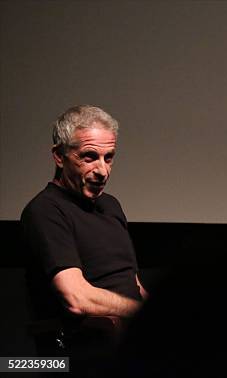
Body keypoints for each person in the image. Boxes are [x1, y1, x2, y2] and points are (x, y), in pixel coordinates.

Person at [21, 105, 147, 358]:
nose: (103, 171)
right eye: (89, 157)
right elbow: (76, 298)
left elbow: (133, 285)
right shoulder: (45, 210)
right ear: (59, 156)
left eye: (109, 157)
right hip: (83, 348)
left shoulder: (111, 205)